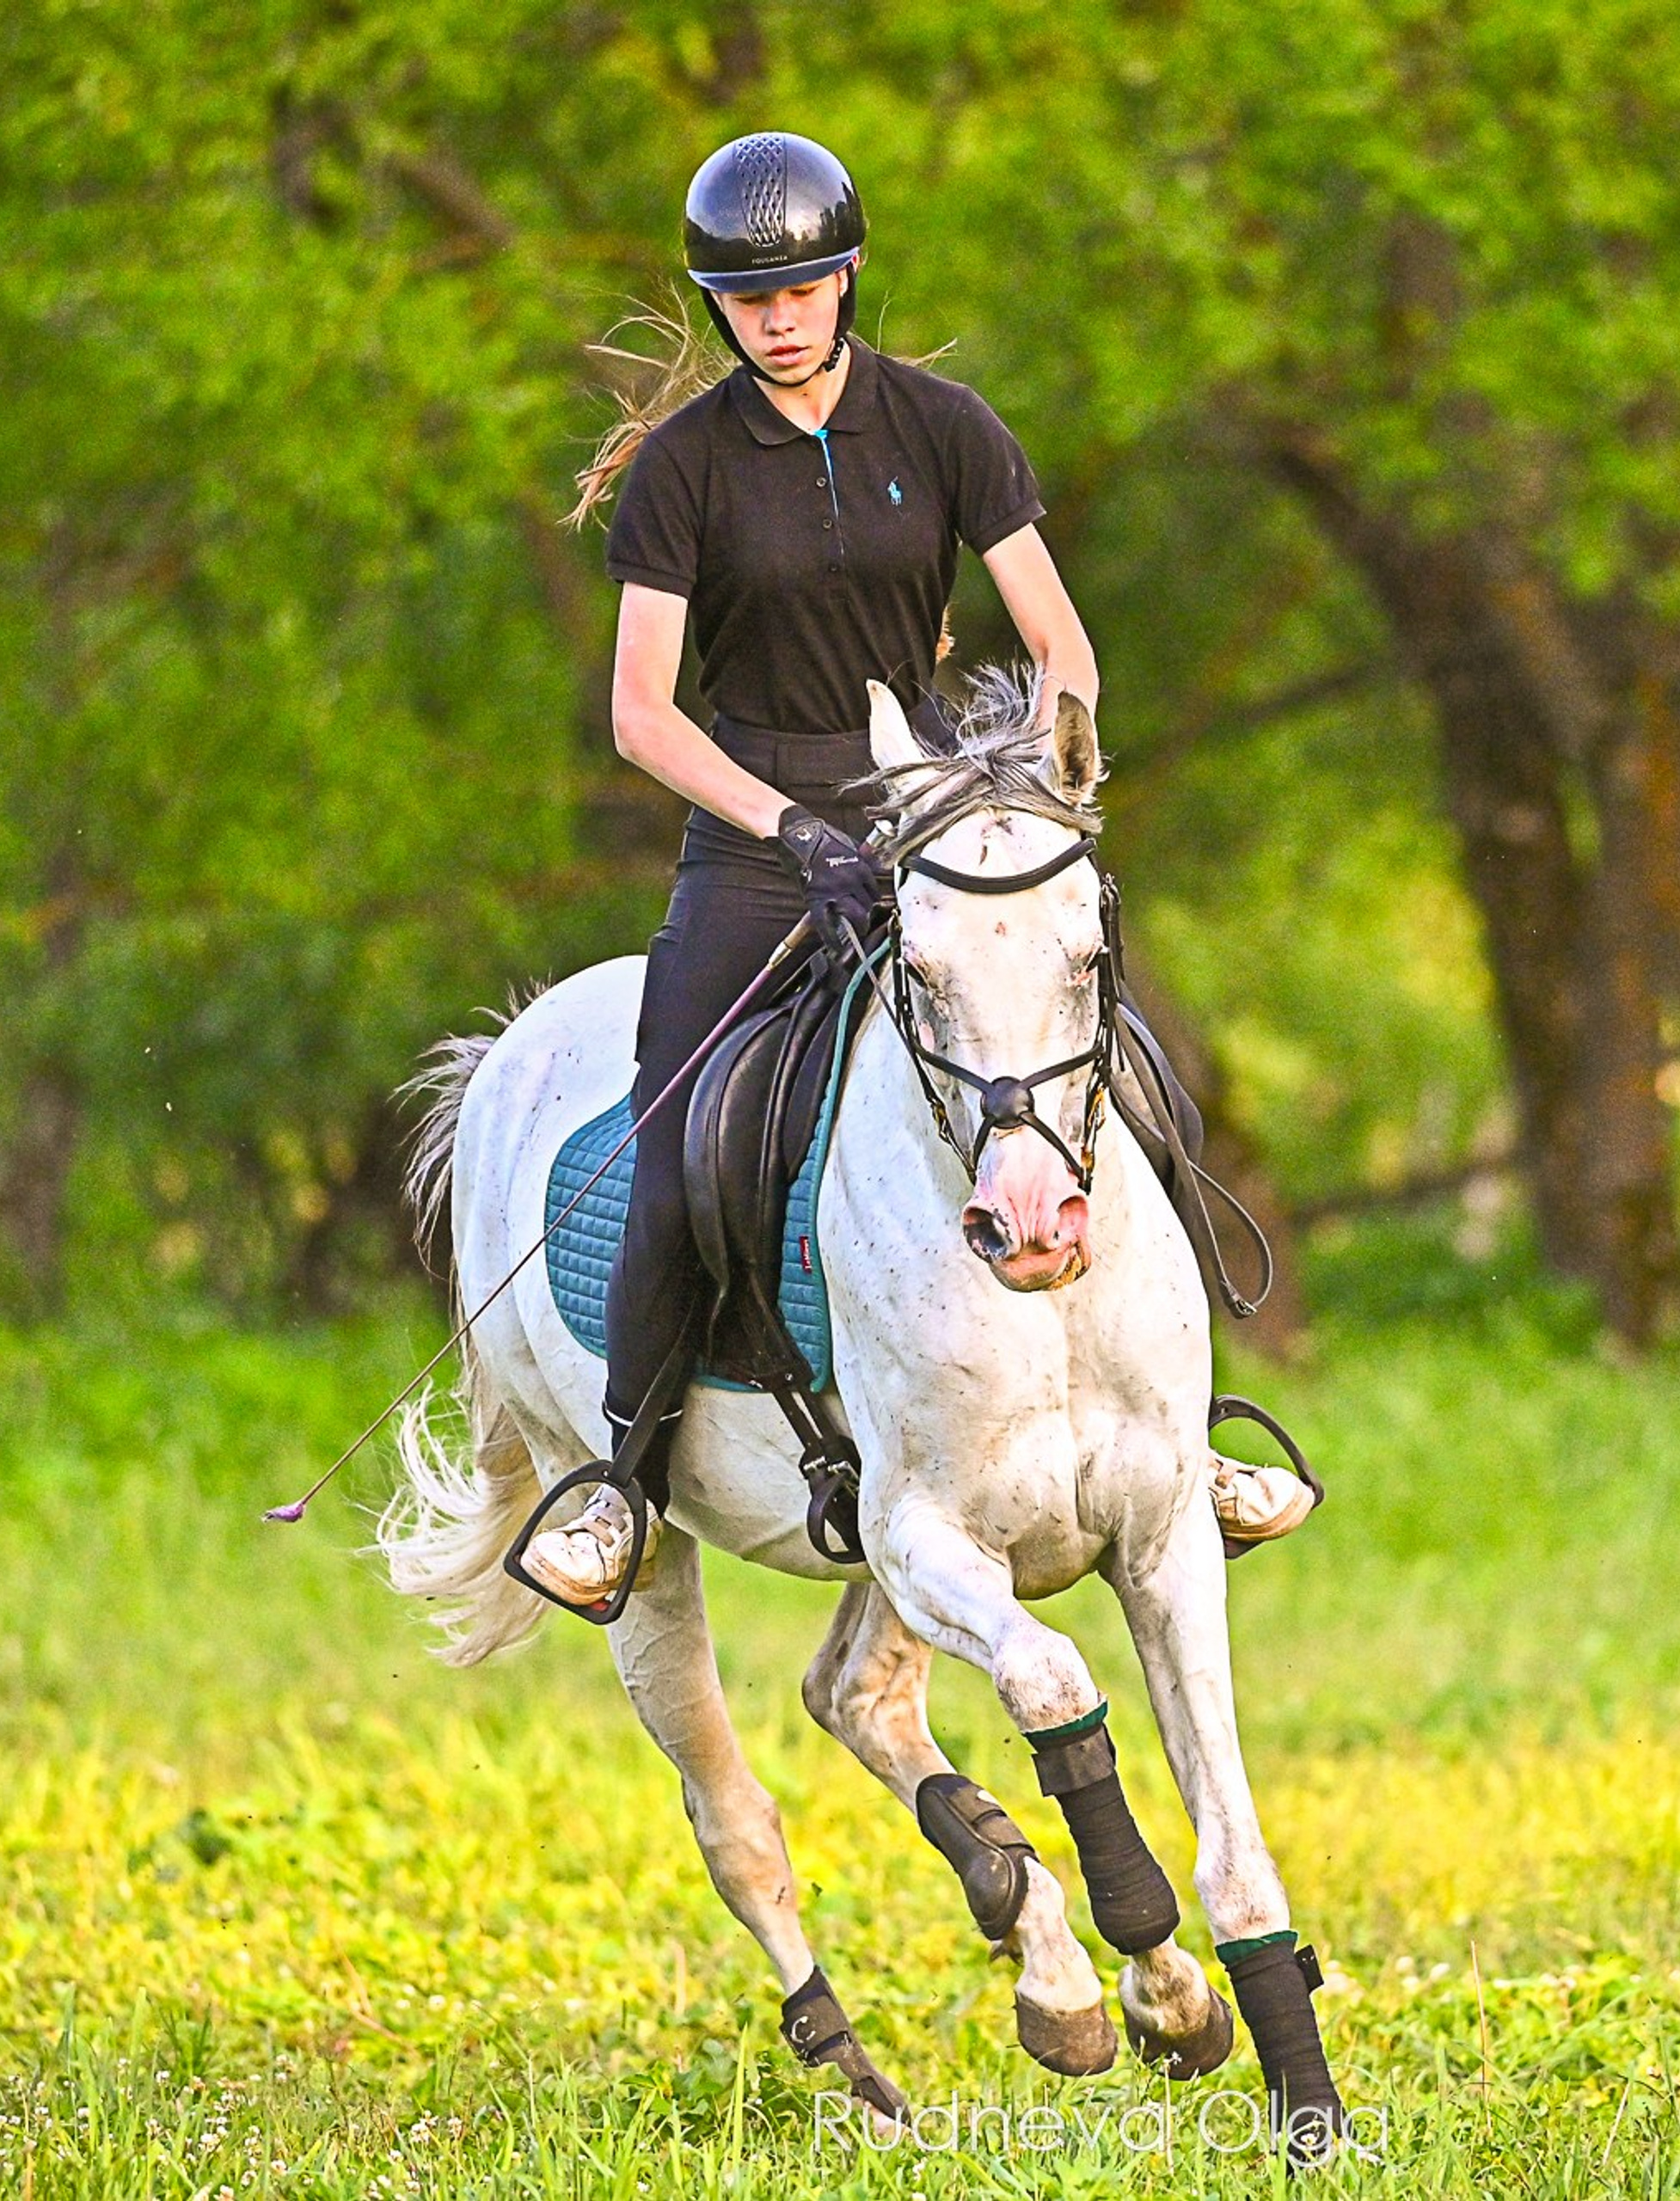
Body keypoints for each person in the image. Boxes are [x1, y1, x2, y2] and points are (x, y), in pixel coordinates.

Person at [524, 131, 1313, 1609]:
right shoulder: (686, 473)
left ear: (848, 277)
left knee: (1133, 1079)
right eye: (750, 297)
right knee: (685, 1135)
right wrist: (788, 829)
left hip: (942, 820)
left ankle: (1188, 1433)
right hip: (763, 842)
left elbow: (1058, 644)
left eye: (805, 285)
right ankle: (619, 1486)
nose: (781, 316)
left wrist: (1043, 776)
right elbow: (641, 716)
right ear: (718, 306)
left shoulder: (947, 430)